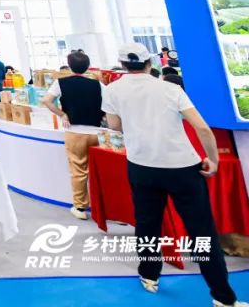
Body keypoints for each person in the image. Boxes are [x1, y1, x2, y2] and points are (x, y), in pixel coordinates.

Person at [103, 43, 246, 307]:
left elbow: (114, 125)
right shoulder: (170, 89)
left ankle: (149, 275)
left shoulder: (112, 90)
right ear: (150, 64)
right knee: (202, 232)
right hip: (182, 168)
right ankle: (223, 297)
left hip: (141, 166)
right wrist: (213, 160)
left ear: (123, 65)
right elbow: (202, 128)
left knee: (147, 223)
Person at [40, 50, 105, 220]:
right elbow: (109, 104)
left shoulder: (61, 82)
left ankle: (80, 207)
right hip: (96, 132)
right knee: (100, 171)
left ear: (69, 66)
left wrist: (62, 114)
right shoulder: (98, 84)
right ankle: (105, 208)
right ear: (87, 66)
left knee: (78, 171)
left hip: (74, 132)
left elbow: (46, 100)